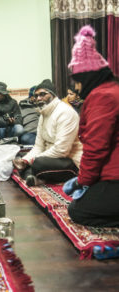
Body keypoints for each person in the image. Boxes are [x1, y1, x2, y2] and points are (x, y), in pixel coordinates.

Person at [63, 25, 119, 227]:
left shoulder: (102, 97)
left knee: (78, 211)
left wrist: (82, 181)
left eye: (77, 82)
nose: (77, 88)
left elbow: (96, 147)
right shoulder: (112, 90)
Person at [13, 79, 83, 187]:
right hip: (51, 157)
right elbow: (38, 146)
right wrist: (25, 160)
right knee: (21, 157)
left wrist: (31, 161)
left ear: (53, 95)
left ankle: (37, 176)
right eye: (36, 96)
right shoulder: (43, 114)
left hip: (70, 161)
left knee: (38, 163)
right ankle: (38, 179)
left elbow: (62, 150)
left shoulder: (65, 113)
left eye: (42, 94)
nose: (39, 98)